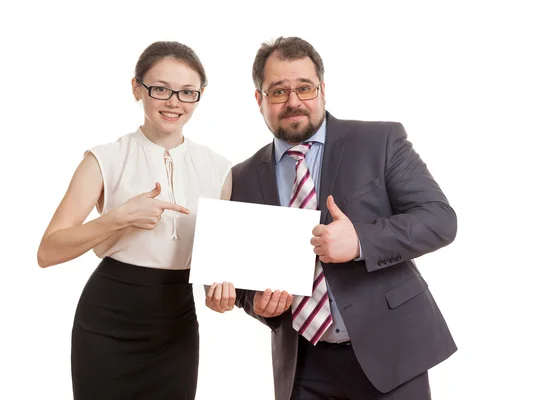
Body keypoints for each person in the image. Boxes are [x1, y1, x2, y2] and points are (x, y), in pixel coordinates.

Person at [205, 36, 458, 399]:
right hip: (304, 367)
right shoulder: (242, 176)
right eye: (278, 92)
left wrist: (360, 241)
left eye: (304, 88)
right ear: (259, 99)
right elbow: (242, 280)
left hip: (391, 353)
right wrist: (257, 305)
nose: (293, 102)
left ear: (323, 90)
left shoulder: (380, 141)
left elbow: (439, 220)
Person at [37, 41, 232, 399]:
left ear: (200, 95)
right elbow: (48, 251)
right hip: (108, 319)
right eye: (161, 89)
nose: (174, 102)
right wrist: (118, 218)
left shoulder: (220, 169)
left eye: (187, 92)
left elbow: (212, 268)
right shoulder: (104, 159)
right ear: (136, 89)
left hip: (176, 322)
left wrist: (219, 292)